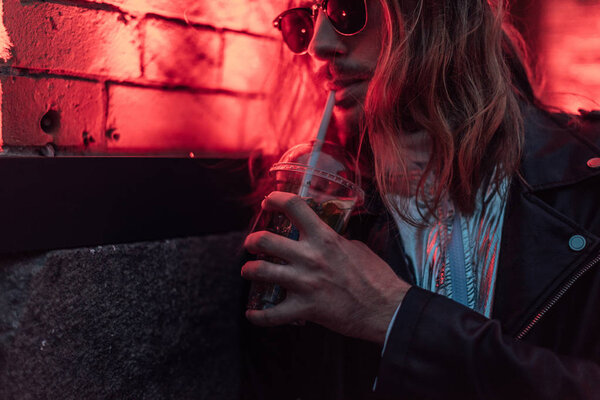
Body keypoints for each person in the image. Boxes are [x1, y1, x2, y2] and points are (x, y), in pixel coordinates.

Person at [240, 0, 600, 398]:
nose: (317, 47)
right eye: (302, 22)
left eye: (345, 11)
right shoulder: (323, 210)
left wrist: (394, 316)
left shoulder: (586, 187)